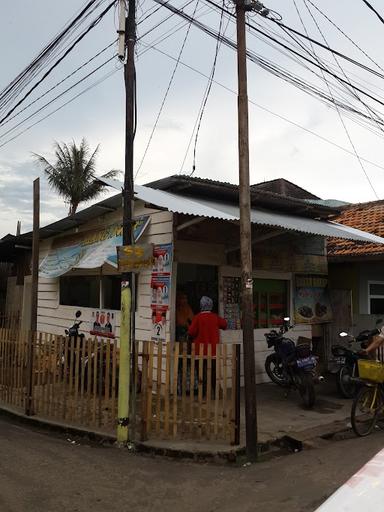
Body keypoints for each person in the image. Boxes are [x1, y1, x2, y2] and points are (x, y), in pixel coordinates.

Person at [188, 296, 227, 396]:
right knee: (213, 372)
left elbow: (191, 332)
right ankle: (215, 391)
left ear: (201, 306)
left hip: (199, 351)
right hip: (213, 350)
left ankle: (203, 392)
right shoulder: (215, 317)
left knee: (200, 372)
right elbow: (224, 324)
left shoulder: (197, 318)